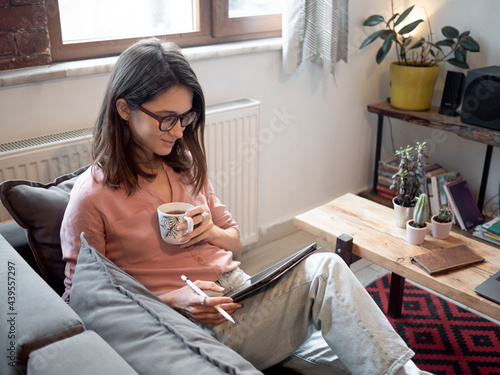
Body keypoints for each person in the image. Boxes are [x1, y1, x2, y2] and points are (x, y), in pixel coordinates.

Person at [60, 37, 431, 375]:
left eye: (185, 118)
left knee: (357, 353)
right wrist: (174, 300)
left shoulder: (183, 163)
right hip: (194, 325)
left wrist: (212, 232)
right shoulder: (92, 198)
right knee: (324, 270)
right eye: (167, 119)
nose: (178, 132)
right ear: (124, 109)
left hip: (243, 293)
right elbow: (83, 301)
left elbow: (235, 242)